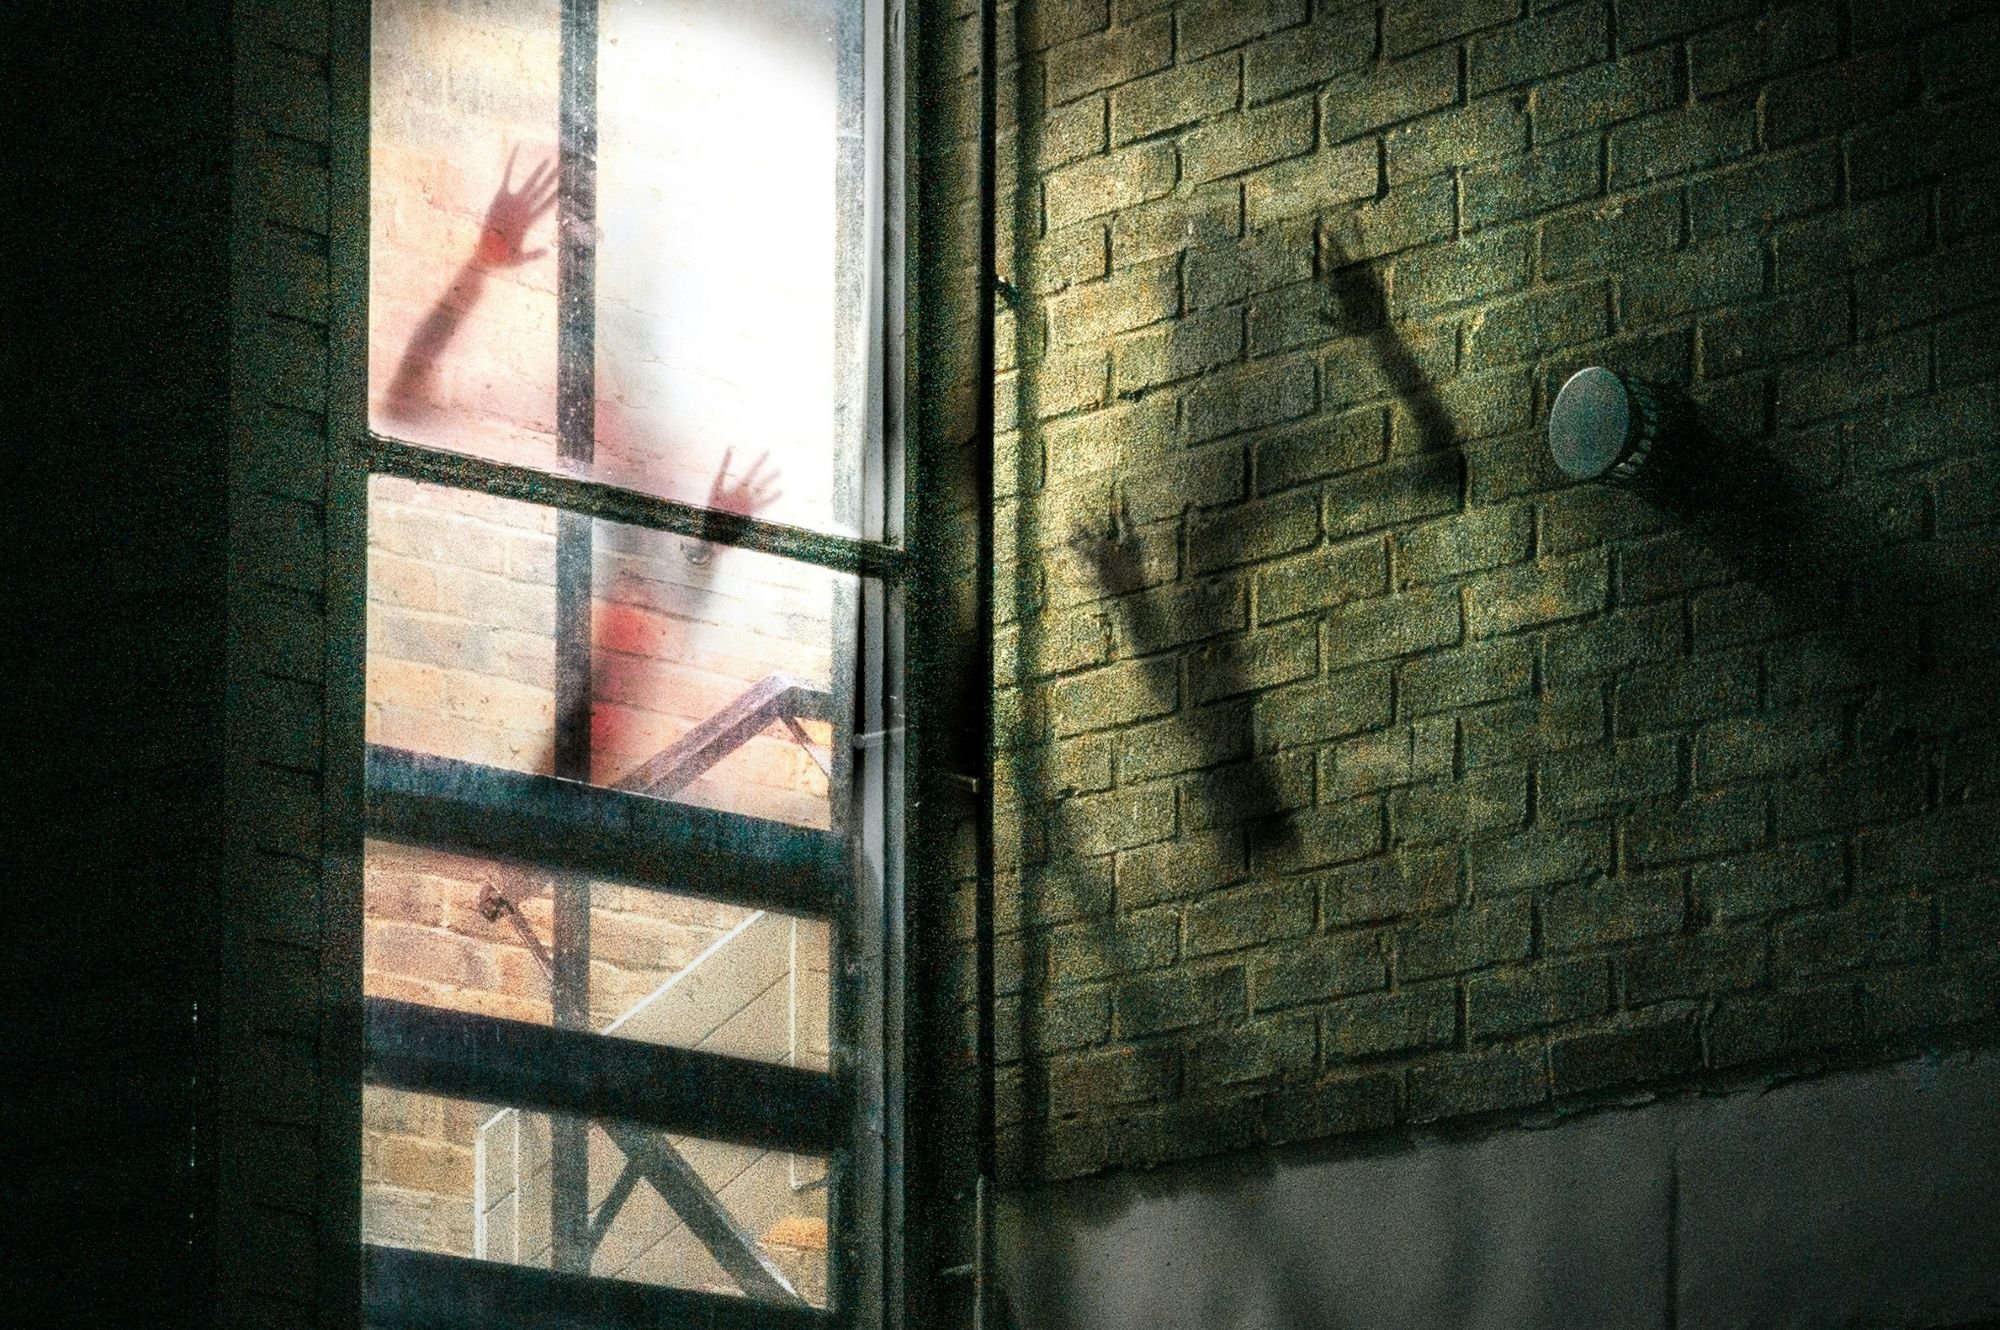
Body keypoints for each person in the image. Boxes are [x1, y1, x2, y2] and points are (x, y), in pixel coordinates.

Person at [379, 146, 781, 526]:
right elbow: (401, 409)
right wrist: (478, 266)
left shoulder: (653, 464)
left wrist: (711, 539)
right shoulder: (526, 423)